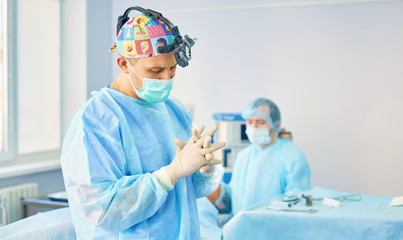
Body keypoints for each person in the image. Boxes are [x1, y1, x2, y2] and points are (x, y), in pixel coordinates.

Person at [60, 8, 226, 240]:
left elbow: (189, 193)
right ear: (123, 63)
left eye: (172, 69)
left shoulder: (174, 109)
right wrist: (168, 175)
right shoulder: (95, 122)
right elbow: (102, 211)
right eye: (155, 71)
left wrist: (202, 171)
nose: (166, 78)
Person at [214, 97, 311, 215]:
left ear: (276, 125)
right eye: (250, 122)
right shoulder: (243, 156)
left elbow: (296, 203)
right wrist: (211, 179)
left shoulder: (293, 156)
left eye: (261, 122)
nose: (254, 127)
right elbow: (234, 195)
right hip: (242, 227)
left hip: (276, 228)